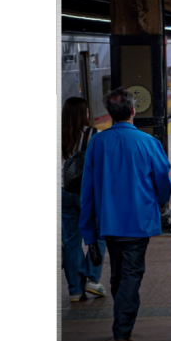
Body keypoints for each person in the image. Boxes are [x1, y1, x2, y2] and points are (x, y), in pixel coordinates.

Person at [79, 87, 171, 341]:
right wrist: (161, 204)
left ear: (109, 113)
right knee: (131, 273)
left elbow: (87, 189)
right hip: (139, 221)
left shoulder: (97, 143)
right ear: (133, 110)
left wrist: (88, 230)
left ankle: (121, 318)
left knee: (119, 272)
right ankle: (122, 327)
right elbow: (163, 181)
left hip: (108, 222)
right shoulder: (148, 142)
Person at [61, 97, 105, 301]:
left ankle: (75, 290)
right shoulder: (93, 134)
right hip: (87, 193)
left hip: (63, 193)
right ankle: (92, 278)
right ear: (84, 113)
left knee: (71, 241)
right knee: (99, 235)